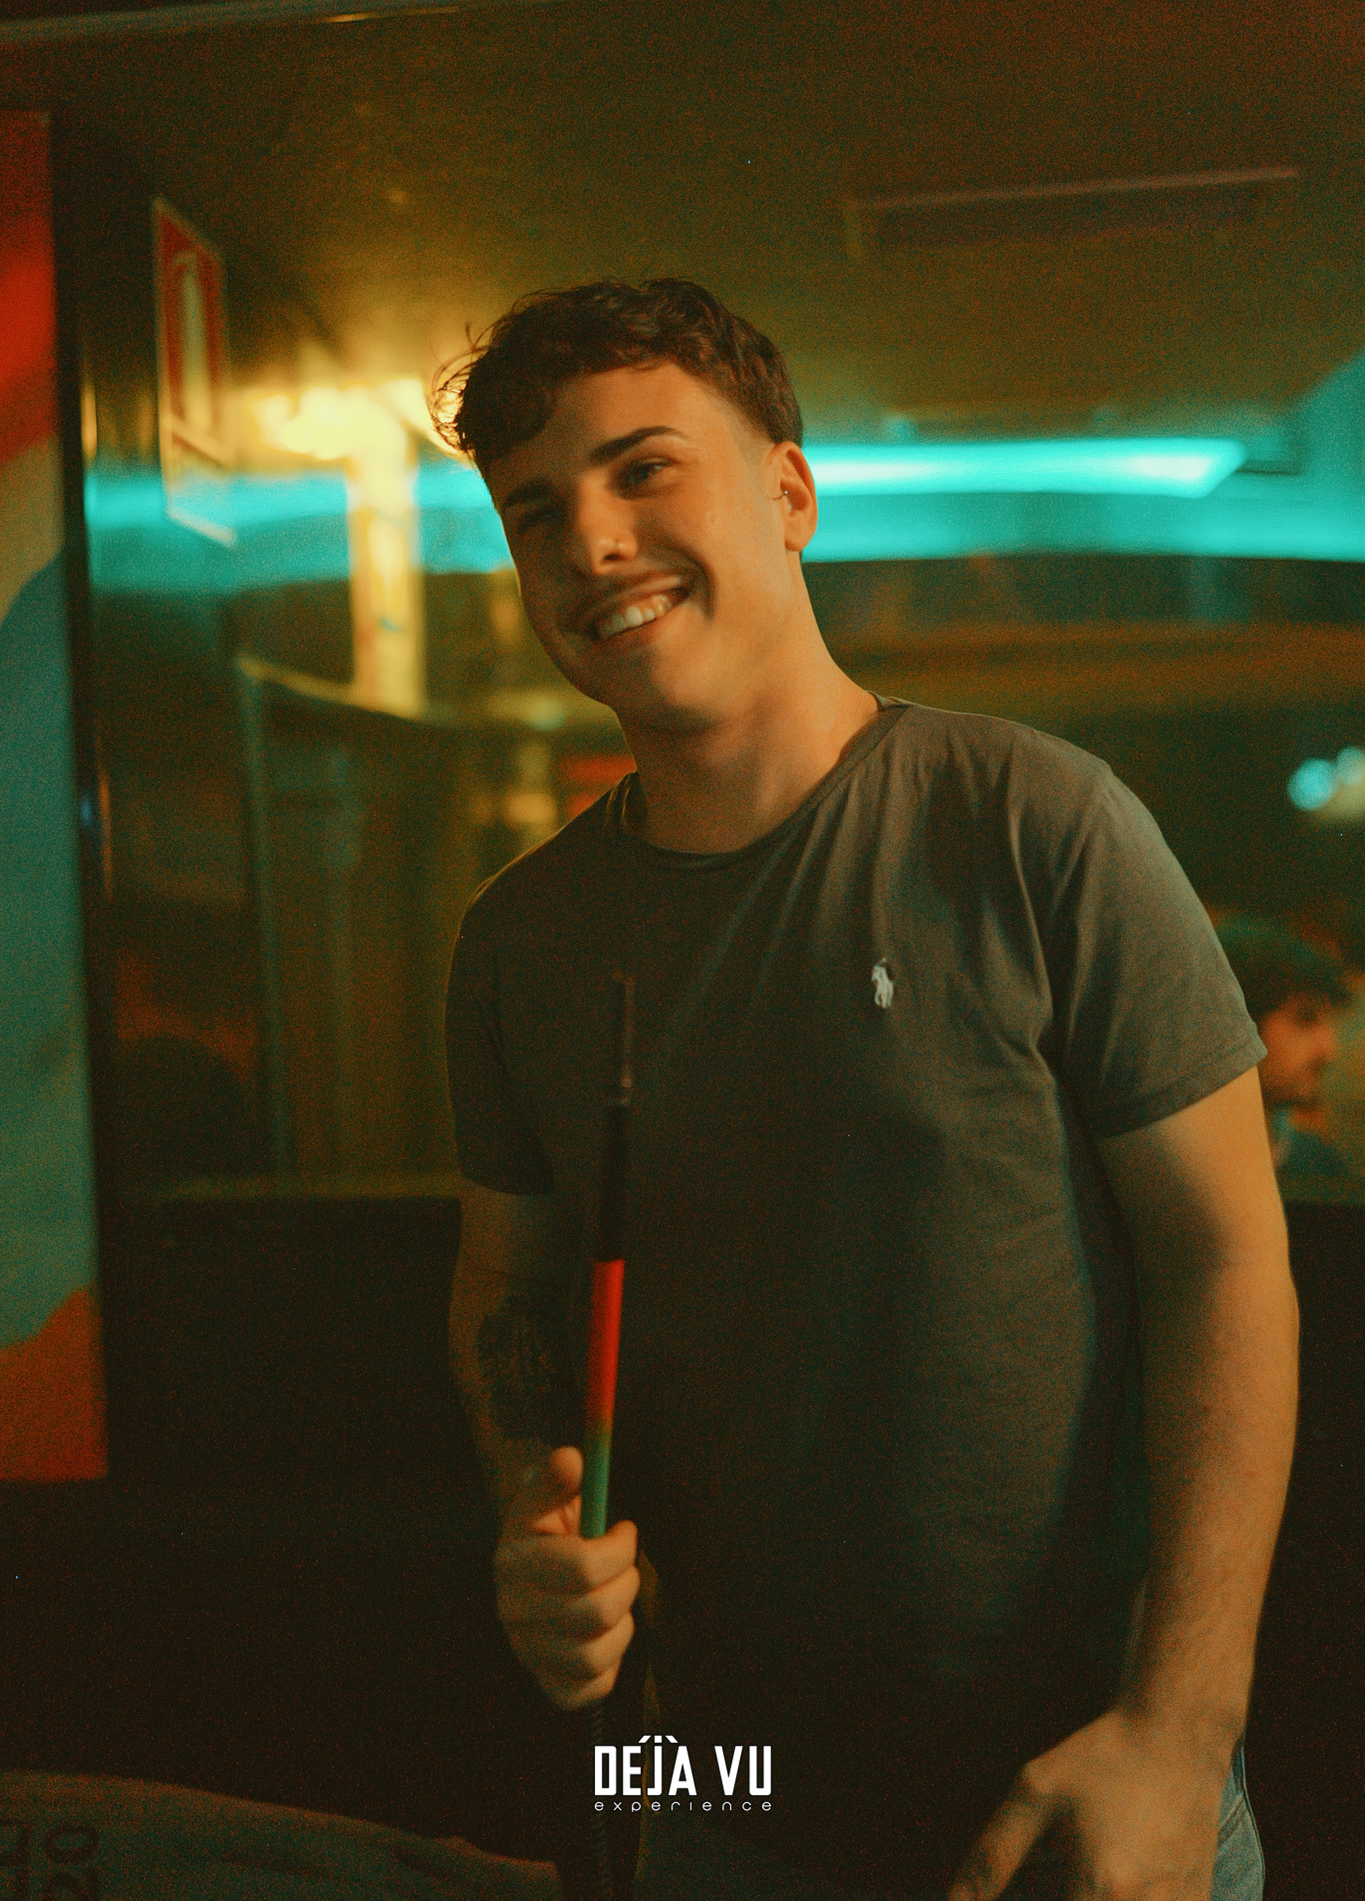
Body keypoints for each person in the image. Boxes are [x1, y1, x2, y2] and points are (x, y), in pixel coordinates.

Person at [438, 279, 1297, 1901]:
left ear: (789, 491)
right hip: (705, 1777)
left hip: (1070, 1775)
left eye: (642, 469)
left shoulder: (1038, 822)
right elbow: (505, 1282)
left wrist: (1180, 1735)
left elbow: (1228, 1258)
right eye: (536, 511)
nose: (592, 542)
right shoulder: (515, 940)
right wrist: (534, 1528)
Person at [1213, 916, 1355, 1185]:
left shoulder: (1319, 1164)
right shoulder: (1172, 1168)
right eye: (1305, 1019)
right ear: (1239, 1021)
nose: (1328, 1051)